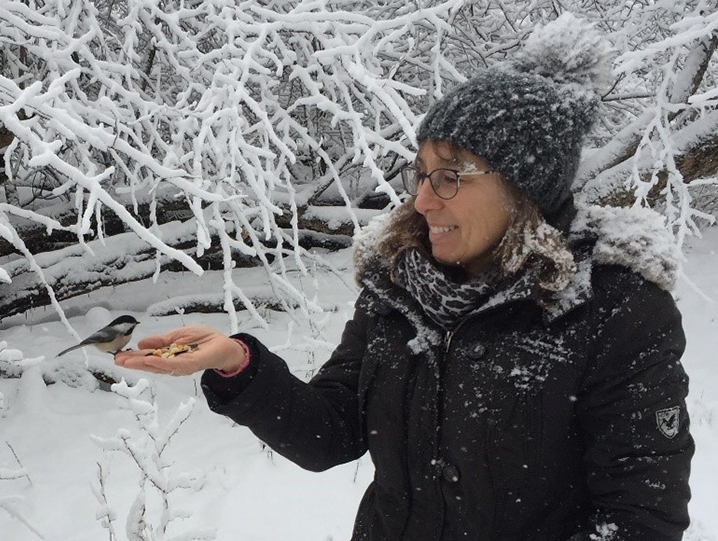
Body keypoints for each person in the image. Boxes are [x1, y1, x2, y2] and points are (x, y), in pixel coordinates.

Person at [115, 14, 694, 541]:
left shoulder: (614, 307)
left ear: (525, 187)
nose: (421, 200)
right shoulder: (399, 287)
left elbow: (640, 520)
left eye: (449, 177)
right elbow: (333, 433)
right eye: (420, 174)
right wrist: (236, 365)